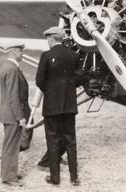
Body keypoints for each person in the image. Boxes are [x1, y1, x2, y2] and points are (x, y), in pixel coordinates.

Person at [36, 26, 80, 186]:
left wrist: (52, 93)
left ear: (52, 38)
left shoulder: (46, 56)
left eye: (48, 38)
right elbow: (78, 79)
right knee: (71, 141)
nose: (47, 40)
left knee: (53, 141)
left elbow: (39, 80)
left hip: (51, 107)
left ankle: (55, 178)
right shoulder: (74, 56)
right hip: (69, 106)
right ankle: (74, 177)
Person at [0, 41, 30, 186]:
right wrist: (21, 117)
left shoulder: (9, 67)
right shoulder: (12, 69)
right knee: (11, 146)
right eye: (20, 51)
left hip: (9, 114)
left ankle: (9, 173)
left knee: (10, 145)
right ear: (13, 52)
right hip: (13, 115)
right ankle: (9, 177)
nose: (22, 53)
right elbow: (13, 96)